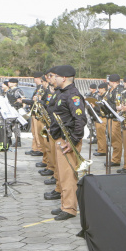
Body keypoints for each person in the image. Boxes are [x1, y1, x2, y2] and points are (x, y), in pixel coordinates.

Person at [47, 65, 88, 220]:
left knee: (68, 175)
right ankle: (65, 204)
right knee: (62, 175)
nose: (54, 79)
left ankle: (70, 208)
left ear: (64, 78)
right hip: (60, 138)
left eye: (56, 76)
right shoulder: (62, 93)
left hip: (67, 141)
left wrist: (73, 140)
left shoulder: (73, 95)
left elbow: (80, 120)